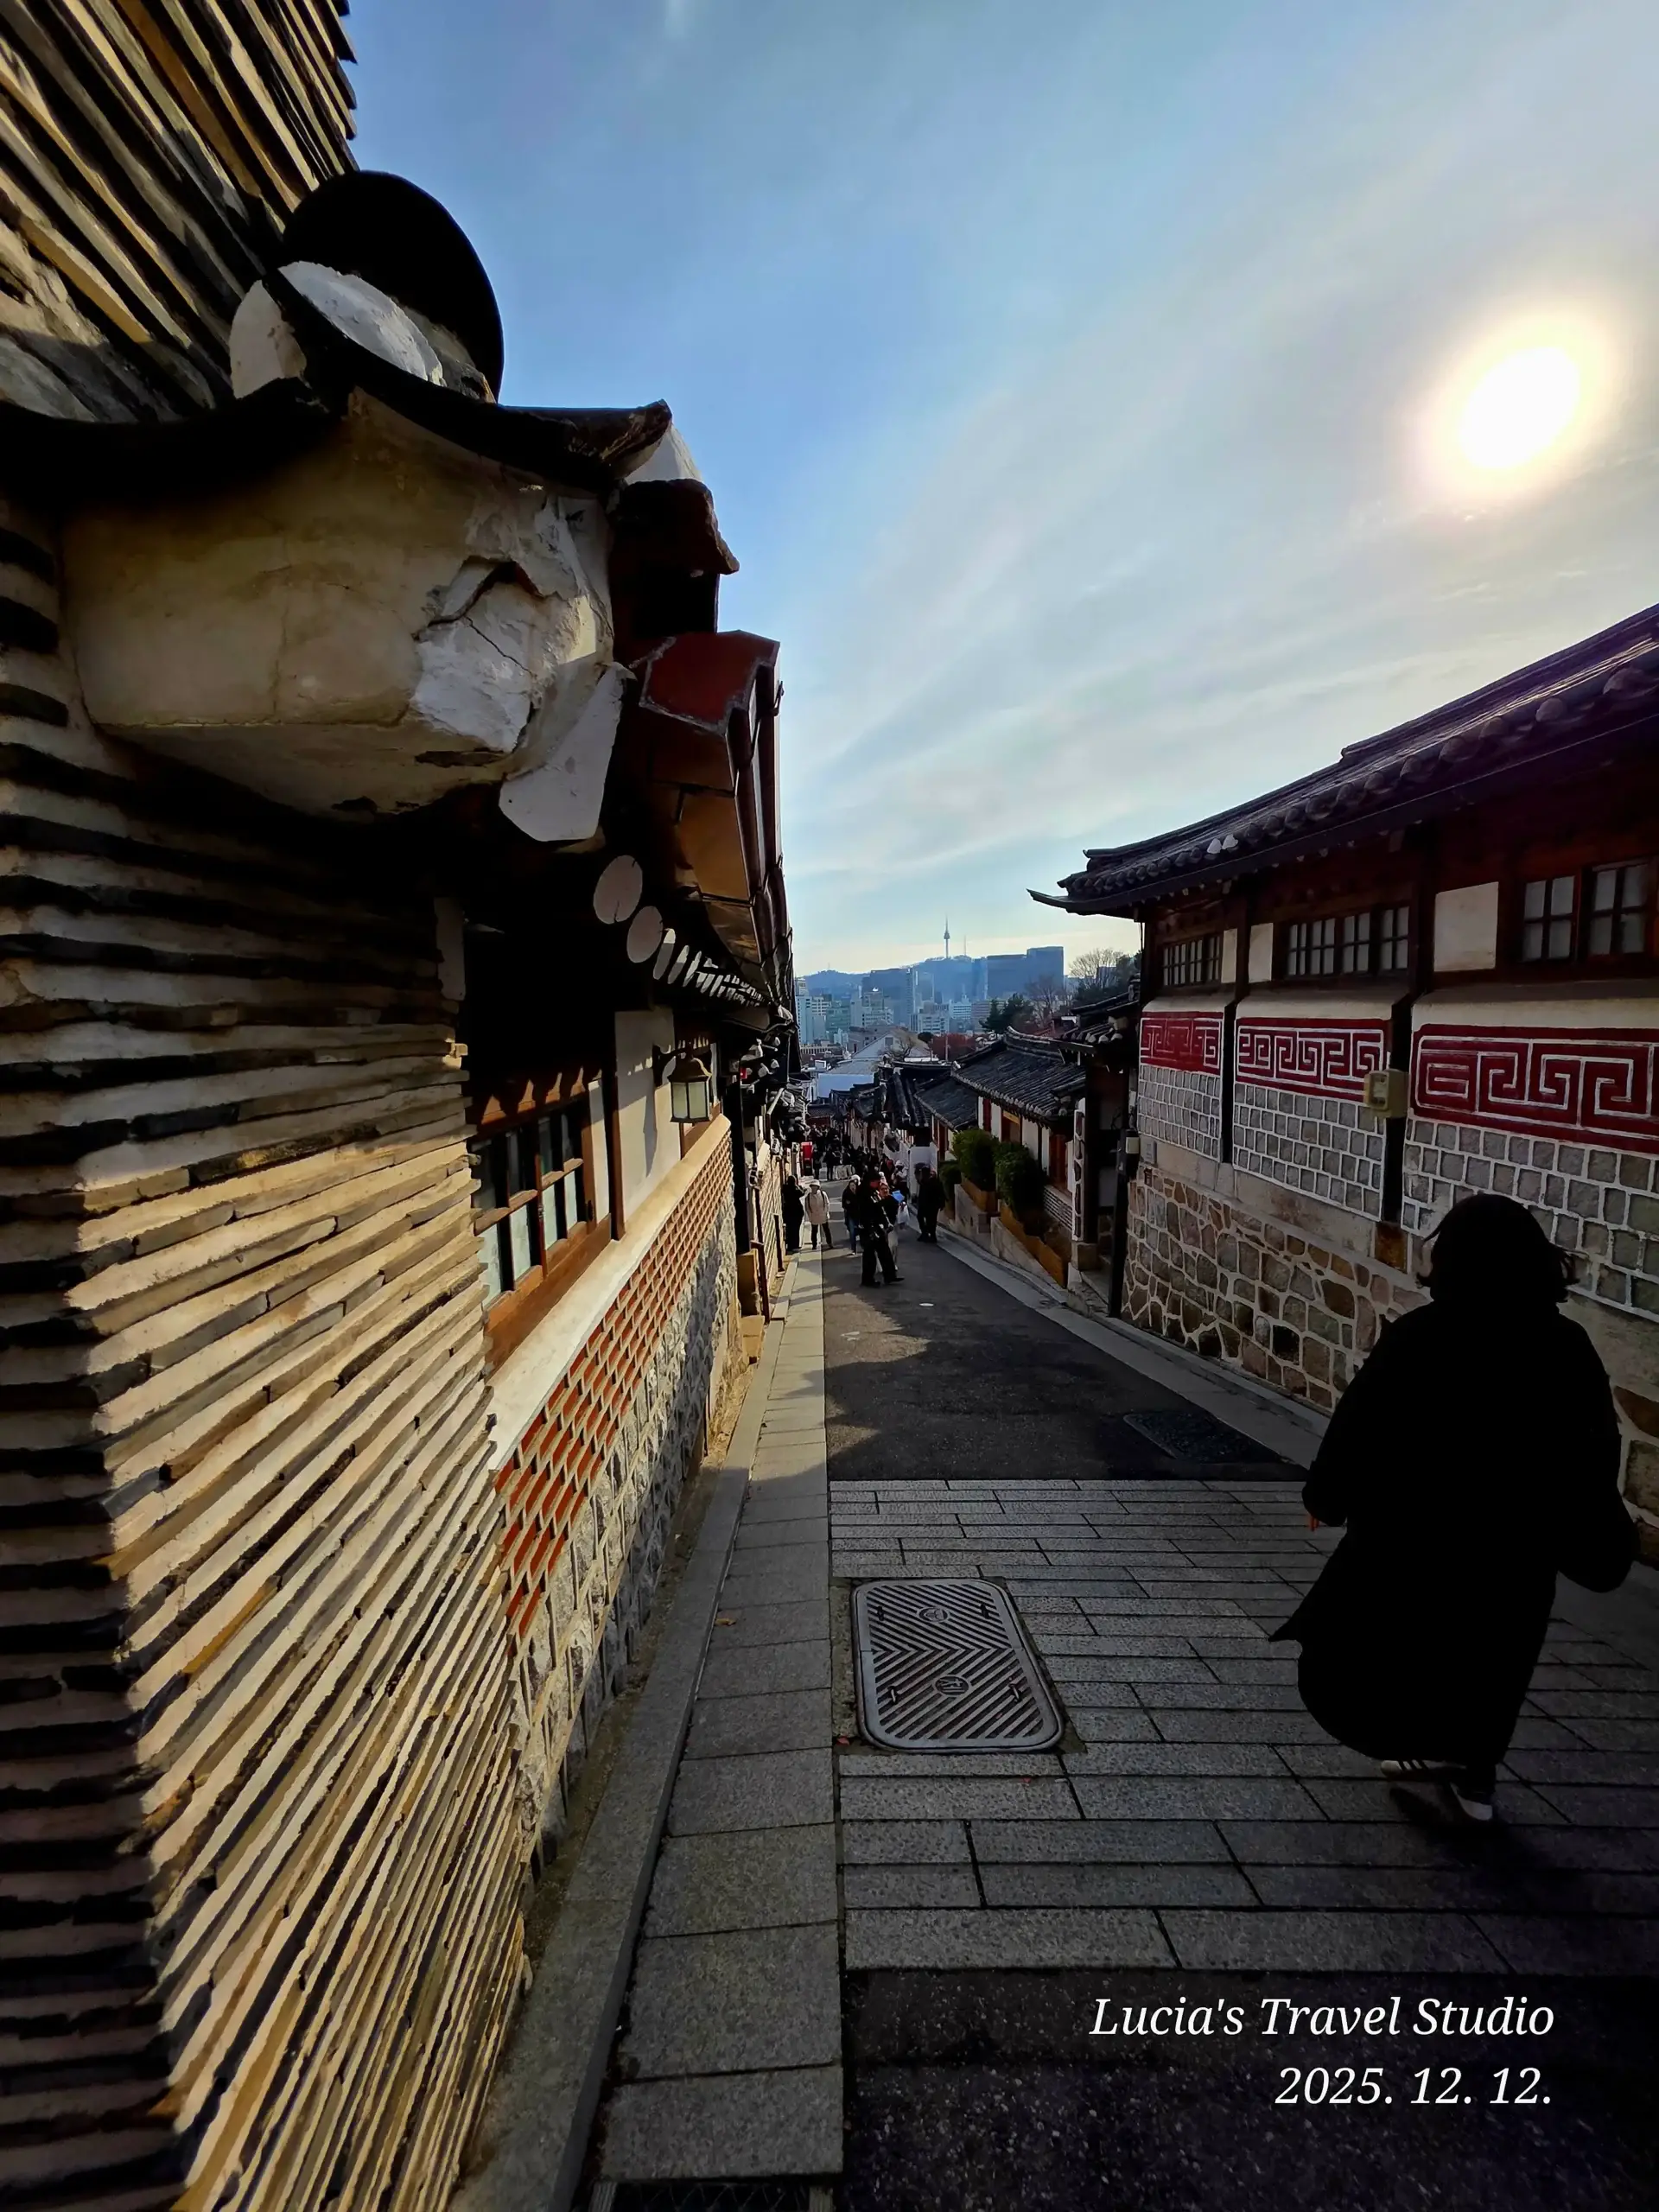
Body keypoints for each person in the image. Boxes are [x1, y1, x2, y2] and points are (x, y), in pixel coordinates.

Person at [1273, 1193, 1636, 1824]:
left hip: (1419, 1535)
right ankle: (1476, 1775)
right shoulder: (1566, 1345)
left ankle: (1423, 1745)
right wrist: (1590, 1525)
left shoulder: (1423, 1336)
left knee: (1417, 1639)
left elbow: (1362, 1424)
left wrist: (1324, 1497)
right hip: (1519, 1545)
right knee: (1497, 1652)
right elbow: (1594, 1447)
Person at [853, 1173, 900, 1287]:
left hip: (878, 1227)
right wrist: (869, 1230)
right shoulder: (862, 1194)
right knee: (869, 1255)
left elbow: (881, 1210)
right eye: (877, 1181)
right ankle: (868, 1280)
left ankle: (890, 1276)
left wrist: (887, 1222)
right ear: (871, 1181)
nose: (879, 1183)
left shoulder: (874, 1193)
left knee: (885, 1252)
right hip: (867, 1229)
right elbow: (861, 1214)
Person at [914, 1163, 944, 1242]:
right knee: (928, 1220)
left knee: (930, 1220)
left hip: (930, 1205)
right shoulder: (927, 1181)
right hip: (929, 1205)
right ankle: (927, 1234)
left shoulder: (930, 1182)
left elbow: (940, 1192)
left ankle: (930, 1235)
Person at [804, 1179, 833, 1249]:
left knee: (826, 1230)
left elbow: (827, 1203)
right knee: (814, 1231)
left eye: (815, 1187)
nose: (813, 1189)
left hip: (823, 1215)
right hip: (814, 1216)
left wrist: (826, 1212)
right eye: (812, 1187)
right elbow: (807, 1208)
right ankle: (814, 1244)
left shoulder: (823, 1194)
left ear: (818, 1187)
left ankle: (830, 1243)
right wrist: (810, 1216)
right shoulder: (808, 1197)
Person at [780, 1172, 804, 1255]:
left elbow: (784, 1189)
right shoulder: (795, 1189)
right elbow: (802, 1193)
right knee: (796, 1229)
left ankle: (790, 1246)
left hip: (788, 1212)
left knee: (789, 1229)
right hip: (796, 1212)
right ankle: (795, 1245)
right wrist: (797, 1186)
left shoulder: (785, 1189)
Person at [842, 1173, 861, 1253]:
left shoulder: (860, 1191)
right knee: (852, 1232)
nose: (853, 1187)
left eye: (854, 1185)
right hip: (851, 1215)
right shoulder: (846, 1192)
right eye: (851, 1185)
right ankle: (854, 1249)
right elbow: (844, 1204)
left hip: (860, 1215)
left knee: (862, 1231)